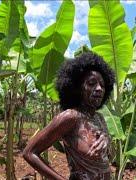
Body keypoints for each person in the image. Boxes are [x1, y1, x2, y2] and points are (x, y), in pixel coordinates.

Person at [23, 52, 115, 180]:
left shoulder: (99, 117)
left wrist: (106, 139)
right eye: (92, 83)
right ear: (78, 88)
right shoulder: (70, 117)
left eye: (102, 85)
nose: (99, 88)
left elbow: (106, 156)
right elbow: (29, 152)